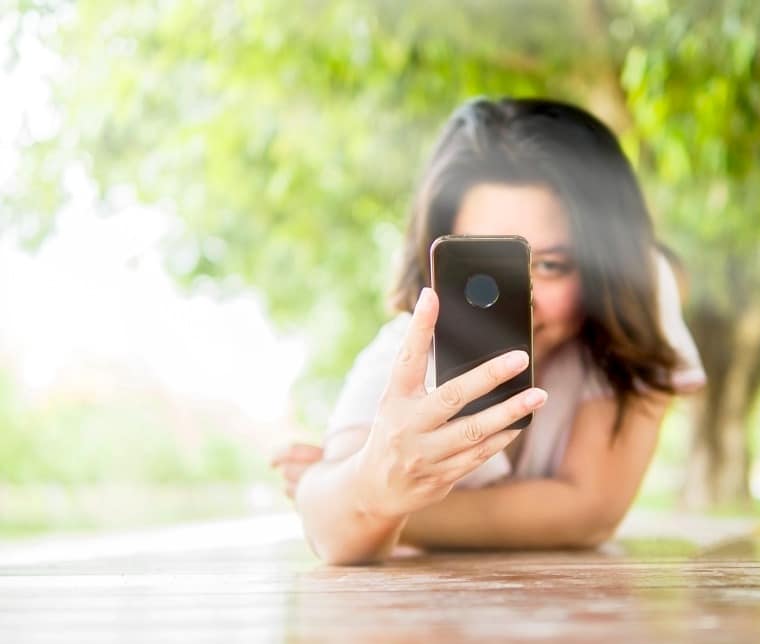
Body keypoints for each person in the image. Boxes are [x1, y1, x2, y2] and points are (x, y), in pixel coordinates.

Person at [271, 97, 706, 565]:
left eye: (553, 265)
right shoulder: (403, 357)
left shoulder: (636, 302)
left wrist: (374, 500)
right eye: (484, 265)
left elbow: (591, 511)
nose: (523, 298)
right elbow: (336, 538)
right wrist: (354, 496)